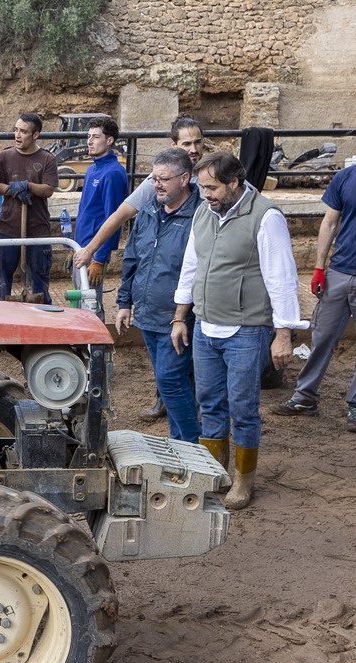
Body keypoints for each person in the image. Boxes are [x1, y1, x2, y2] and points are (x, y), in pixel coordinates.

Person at [171, 152, 306, 509]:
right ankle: (217, 472)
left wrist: (283, 333)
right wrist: (180, 316)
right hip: (205, 325)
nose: (206, 194)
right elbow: (191, 264)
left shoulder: (265, 217)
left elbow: (282, 278)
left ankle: (244, 480)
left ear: (235, 183)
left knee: (243, 407)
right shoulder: (205, 211)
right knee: (210, 403)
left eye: (212, 187)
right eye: (202, 187)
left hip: (246, 329)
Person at [271, 121, 356, 433]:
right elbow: (329, 223)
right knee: (322, 336)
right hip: (338, 272)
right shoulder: (345, 178)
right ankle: (305, 397)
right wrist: (319, 267)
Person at [74, 116, 207, 418]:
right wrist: (93, 250)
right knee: (168, 358)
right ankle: (168, 400)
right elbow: (122, 217)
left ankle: (189, 408)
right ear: (174, 145)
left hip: (195, 286)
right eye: (187, 143)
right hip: (161, 286)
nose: (194, 149)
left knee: (188, 355)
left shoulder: (209, 178)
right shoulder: (157, 182)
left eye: (198, 142)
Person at [116, 148, 203, 443]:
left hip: (178, 315)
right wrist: (125, 301)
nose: (157, 185)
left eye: (164, 179)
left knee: (171, 380)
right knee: (168, 382)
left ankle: (190, 443)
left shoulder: (199, 214)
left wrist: (182, 315)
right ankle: (182, 440)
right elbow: (132, 256)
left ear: (185, 178)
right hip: (148, 311)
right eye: (154, 179)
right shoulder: (151, 209)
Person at [0, 112, 57, 302]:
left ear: (35, 135)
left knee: (40, 277)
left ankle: (42, 318)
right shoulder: (5, 156)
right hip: (8, 226)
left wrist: (28, 185)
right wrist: (14, 190)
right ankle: (3, 316)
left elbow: (48, 190)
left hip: (37, 228)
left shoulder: (47, 159)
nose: (17, 135)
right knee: (2, 277)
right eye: (16, 130)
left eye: (23, 132)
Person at [75, 116, 128, 321]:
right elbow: (85, 212)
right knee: (81, 299)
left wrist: (99, 259)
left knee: (91, 303)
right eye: (88, 136)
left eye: (96, 137)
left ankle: (97, 347)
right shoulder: (92, 169)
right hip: (82, 248)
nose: (89, 141)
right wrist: (76, 247)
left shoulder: (113, 174)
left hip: (94, 252)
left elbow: (114, 219)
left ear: (110, 141)